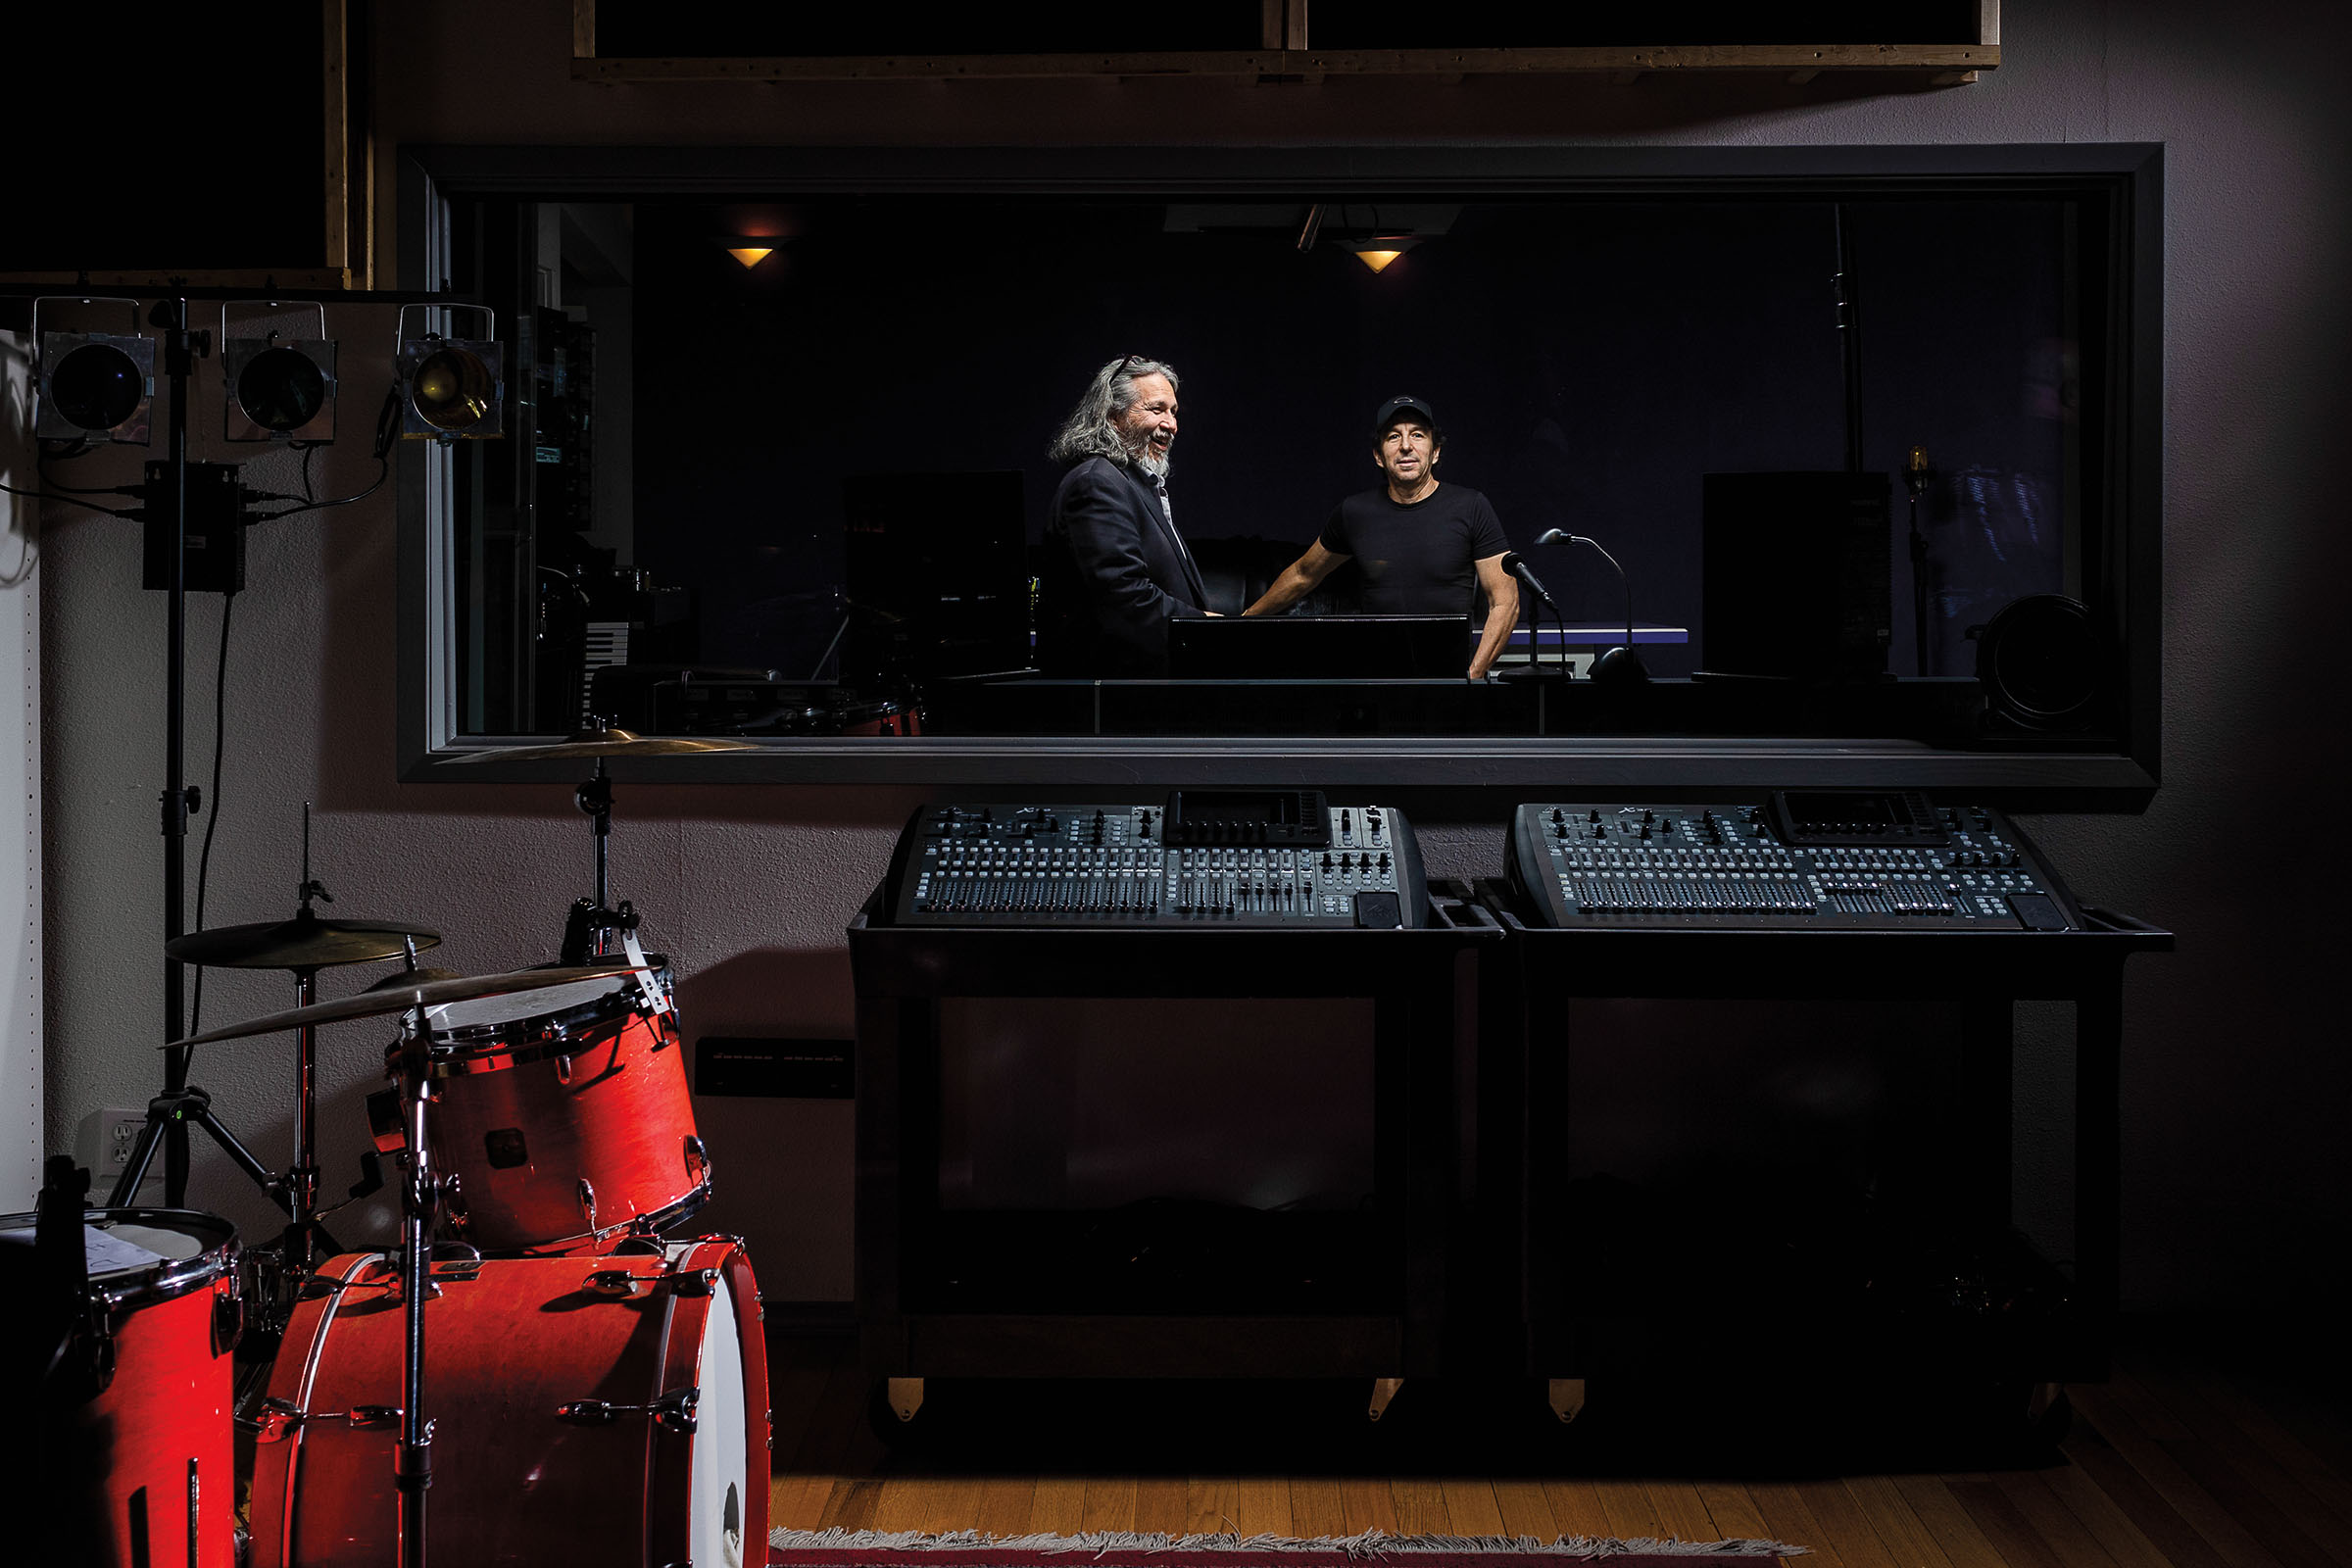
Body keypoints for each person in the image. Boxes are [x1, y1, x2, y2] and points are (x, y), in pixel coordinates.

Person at [1244, 395, 1518, 680]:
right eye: (1393, 437)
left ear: (1435, 451)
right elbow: (1303, 574)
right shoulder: (1354, 512)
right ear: (1378, 456)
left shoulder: (1471, 507)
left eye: (1417, 435)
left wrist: (1472, 675)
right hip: (1377, 678)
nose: (1406, 446)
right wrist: (1244, 620)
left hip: (1449, 675)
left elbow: (1505, 602)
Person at [1037, 355, 1213, 678]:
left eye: (1174, 412)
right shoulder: (1096, 482)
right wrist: (1205, 628)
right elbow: (1124, 597)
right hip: (1114, 697)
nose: (1172, 424)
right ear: (1114, 416)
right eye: (1157, 409)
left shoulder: (1131, 483)